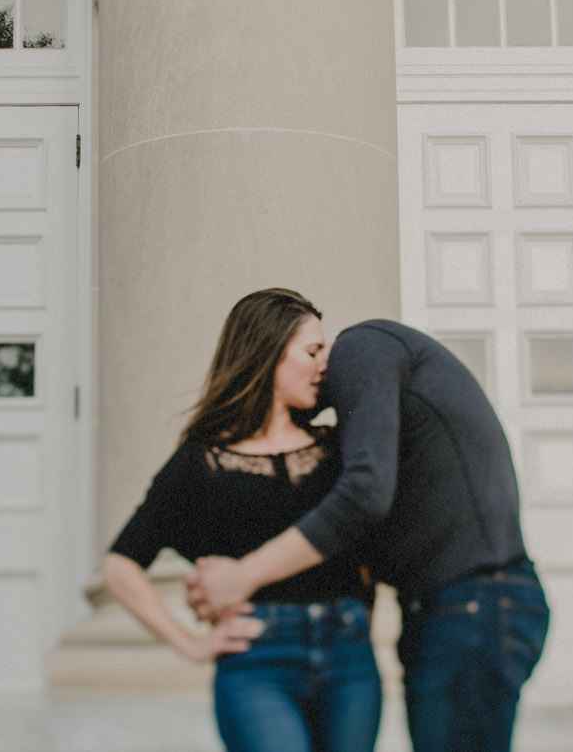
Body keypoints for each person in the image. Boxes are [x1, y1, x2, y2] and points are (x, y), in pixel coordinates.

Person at [188, 320, 547, 752]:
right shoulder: (365, 421)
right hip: (456, 609)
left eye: (317, 350)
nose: (320, 365)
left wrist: (243, 576)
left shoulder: (361, 345)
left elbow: (364, 495)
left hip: (473, 604)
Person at [105, 289, 381, 752]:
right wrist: (191, 644)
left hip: (349, 655)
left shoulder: (339, 448)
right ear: (268, 352)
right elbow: (121, 567)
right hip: (258, 662)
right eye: (312, 351)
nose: (324, 365)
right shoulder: (201, 462)